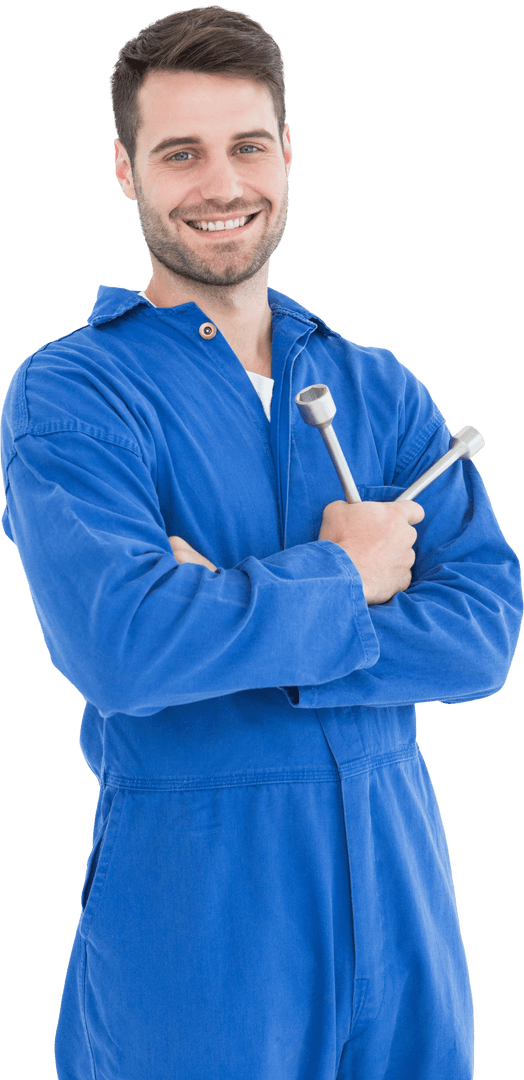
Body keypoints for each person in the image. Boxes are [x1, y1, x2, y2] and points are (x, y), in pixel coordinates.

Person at [0, 7, 521, 1079]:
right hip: (199, 912)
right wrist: (350, 579)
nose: (219, 183)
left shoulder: (377, 385)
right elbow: (122, 646)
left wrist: (233, 609)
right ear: (124, 171)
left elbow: (481, 635)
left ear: (285, 152)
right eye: (178, 153)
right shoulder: (75, 394)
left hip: (403, 888)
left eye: (245, 146)